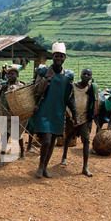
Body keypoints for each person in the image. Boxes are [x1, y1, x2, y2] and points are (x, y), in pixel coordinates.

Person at [32, 42, 79, 179]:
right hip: (45, 111)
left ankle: (45, 167)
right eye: (56, 56)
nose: (59, 59)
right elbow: (36, 90)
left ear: (65, 58)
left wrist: (75, 114)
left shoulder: (68, 76)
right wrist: (46, 79)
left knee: (52, 142)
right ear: (52, 57)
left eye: (61, 56)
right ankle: (40, 167)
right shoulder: (43, 72)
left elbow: (70, 98)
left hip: (58, 113)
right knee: (46, 140)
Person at [60, 68, 98, 177]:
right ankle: (64, 156)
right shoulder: (73, 87)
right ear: (80, 75)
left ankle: (85, 167)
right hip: (72, 117)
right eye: (84, 74)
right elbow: (67, 101)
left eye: (89, 74)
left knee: (86, 141)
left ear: (91, 77)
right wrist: (71, 116)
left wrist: (90, 119)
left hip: (85, 118)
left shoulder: (91, 88)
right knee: (68, 136)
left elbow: (93, 104)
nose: (86, 76)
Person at [0, 65, 27, 167]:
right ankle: (2, 157)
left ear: (17, 75)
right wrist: (2, 89)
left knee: (17, 135)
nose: (10, 76)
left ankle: (22, 150)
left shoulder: (21, 86)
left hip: (16, 115)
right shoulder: (4, 85)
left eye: (12, 74)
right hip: (5, 115)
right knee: (5, 135)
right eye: (8, 74)